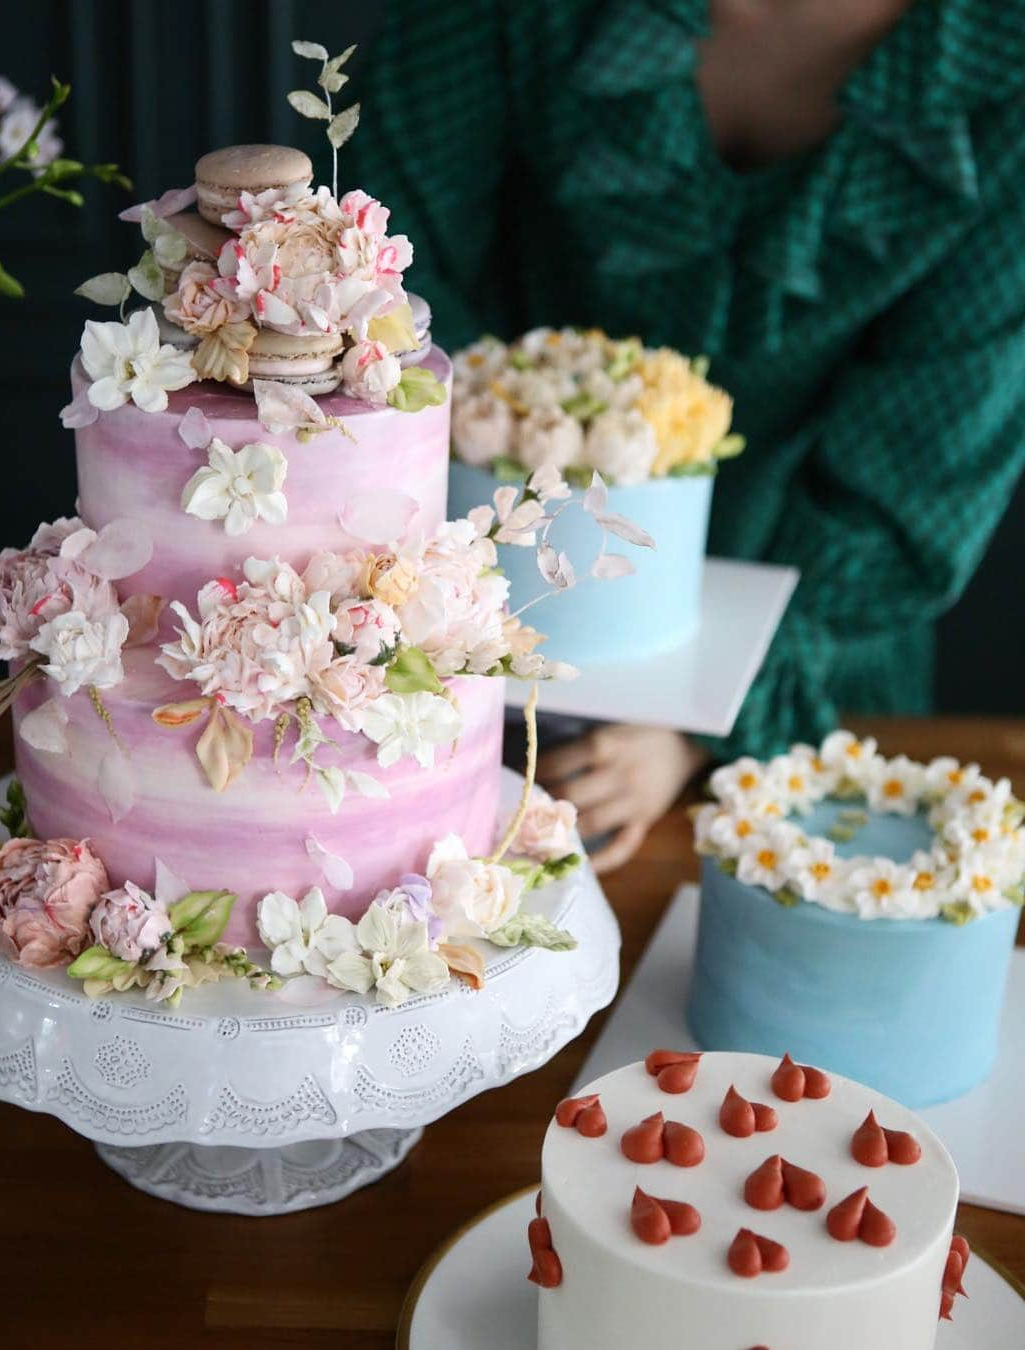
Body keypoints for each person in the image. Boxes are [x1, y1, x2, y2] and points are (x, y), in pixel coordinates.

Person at [351, 0, 1025, 869]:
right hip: (462, 627)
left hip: (806, 689)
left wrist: (700, 727)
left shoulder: (1003, 81)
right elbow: (387, 282)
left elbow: (915, 489)